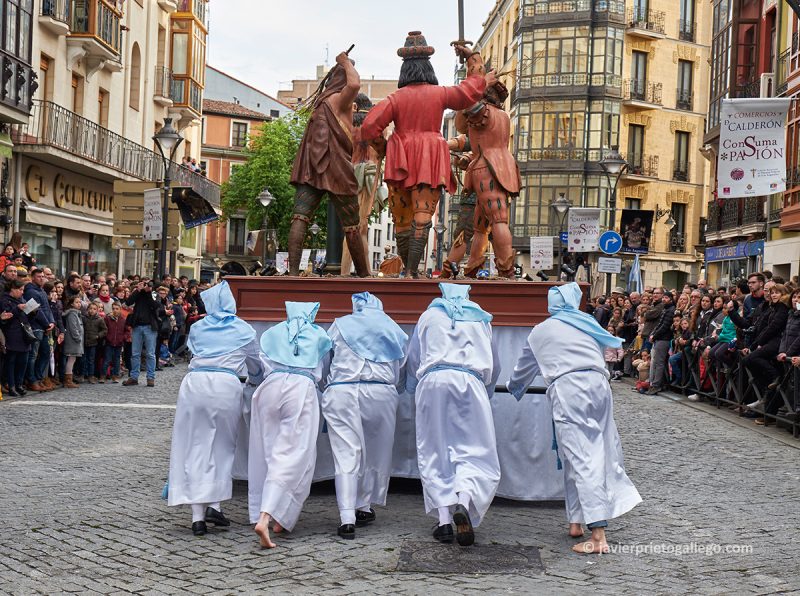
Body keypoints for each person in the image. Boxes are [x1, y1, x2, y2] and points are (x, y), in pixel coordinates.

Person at [508, 283, 641, 554]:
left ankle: (598, 534)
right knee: (590, 451)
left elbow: (523, 369)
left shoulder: (542, 331)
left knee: (581, 455)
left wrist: (513, 389)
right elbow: (608, 353)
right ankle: (575, 521)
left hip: (570, 390)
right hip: (598, 386)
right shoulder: (586, 323)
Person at [361, 35, 494, 277]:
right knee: (422, 216)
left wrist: (383, 147)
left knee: (402, 221)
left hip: (399, 158)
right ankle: (412, 272)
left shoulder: (395, 98)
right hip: (429, 158)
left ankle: (406, 272)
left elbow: (369, 125)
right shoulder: (440, 93)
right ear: (428, 67)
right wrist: (472, 59)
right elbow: (472, 90)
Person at [403, 283, 500, 546]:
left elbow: (414, 358)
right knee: (474, 449)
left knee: (435, 450)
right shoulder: (481, 318)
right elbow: (494, 360)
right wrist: (486, 391)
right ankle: (465, 501)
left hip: (433, 382)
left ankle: (444, 520)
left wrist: (412, 388)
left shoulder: (428, 316)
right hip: (470, 381)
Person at [168, 280, 264, 536]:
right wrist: (255, 381)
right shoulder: (243, 329)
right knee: (222, 446)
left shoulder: (199, 327)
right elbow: (255, 366)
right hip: (225, 384)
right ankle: (214, 503)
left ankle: (198, 515)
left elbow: (193, 351)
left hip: (194, 384)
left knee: (195, 445)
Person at [320, 292, 408, 539]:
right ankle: (364, 505)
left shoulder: (340, 325)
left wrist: (327, 385)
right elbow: (402, 366)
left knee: (346, 453)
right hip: (381, 391)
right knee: (376, 451)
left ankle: (346, 516)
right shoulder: (393, 327)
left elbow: (326, 360)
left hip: (343, 390)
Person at [248, 302, 331, 549]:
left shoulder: (273, 333)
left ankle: (275, 516)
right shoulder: (318, 335)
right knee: (294, 455)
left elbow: (262, 365)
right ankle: (268, 515)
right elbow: (324, 371)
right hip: (300, 388)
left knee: (266, 451)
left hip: (270, 386)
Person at [288, 51, 369, 277]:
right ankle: (364, 277)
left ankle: (293, 273)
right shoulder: (339, 100)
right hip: (336, 170)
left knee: (300, 217)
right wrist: (345, 61)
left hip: (311, 168)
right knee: (352, 226)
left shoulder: (321, 103)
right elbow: (354, 84)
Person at [446, 80, 520, 278]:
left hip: (487, 168)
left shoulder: (485, 112)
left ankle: (506, 270)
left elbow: (467, 112)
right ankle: (472, 269)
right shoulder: (503, 115)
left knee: (498, 220)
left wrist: (477, 83)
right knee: (481, 227)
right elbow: (483, 142)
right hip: (500, 167)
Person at [123, 280, 164, 387]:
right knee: (135, 354)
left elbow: (156, 306)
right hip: (137, 326)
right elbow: (128, 302)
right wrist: (138, 290)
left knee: (150, 354)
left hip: (150, 327)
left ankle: (150, 378)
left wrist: (148, 293)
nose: (146, 286)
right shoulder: (138, 293)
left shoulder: (154, 294)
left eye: (148, 284)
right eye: (144, 284)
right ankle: (134, 377)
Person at [23, 268, 56, 392]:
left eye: (43, 276)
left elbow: (47, 308)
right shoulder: (30, 291)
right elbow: (35, 310)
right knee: (33, 355)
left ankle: (38, 378)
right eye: (39, 276)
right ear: (32, 277)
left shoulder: (41, 290)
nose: (41, 278)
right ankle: (31, 380)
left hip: (45, 327)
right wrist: (47, 324)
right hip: (36, 327)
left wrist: (52, 322)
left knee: (46, 353)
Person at [1, 280, 32, 397]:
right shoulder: (4, 300)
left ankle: (19, 384)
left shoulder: (22, 299)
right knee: (11, 362)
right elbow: (6, 317)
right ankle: (12, 386)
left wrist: (33, 311)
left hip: (24, 334)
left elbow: (28, 316)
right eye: (20, 290)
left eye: (23, 290)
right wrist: (17, 308)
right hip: (12, 334)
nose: (22, 292)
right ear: (12, 289)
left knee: (23, 361)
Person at [103, 302, 126, 382]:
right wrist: (107, 337)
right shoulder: (107, 318)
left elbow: (126, 331)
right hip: (109, 342)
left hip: (119, 343)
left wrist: (122, 338)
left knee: (116, 361)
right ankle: (103, 375)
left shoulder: (123, 320)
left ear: (120, 309)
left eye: (117, 309)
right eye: (113, 309)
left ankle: (115, 376)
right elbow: (104, 329)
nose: (115, 310)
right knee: (107, 359)